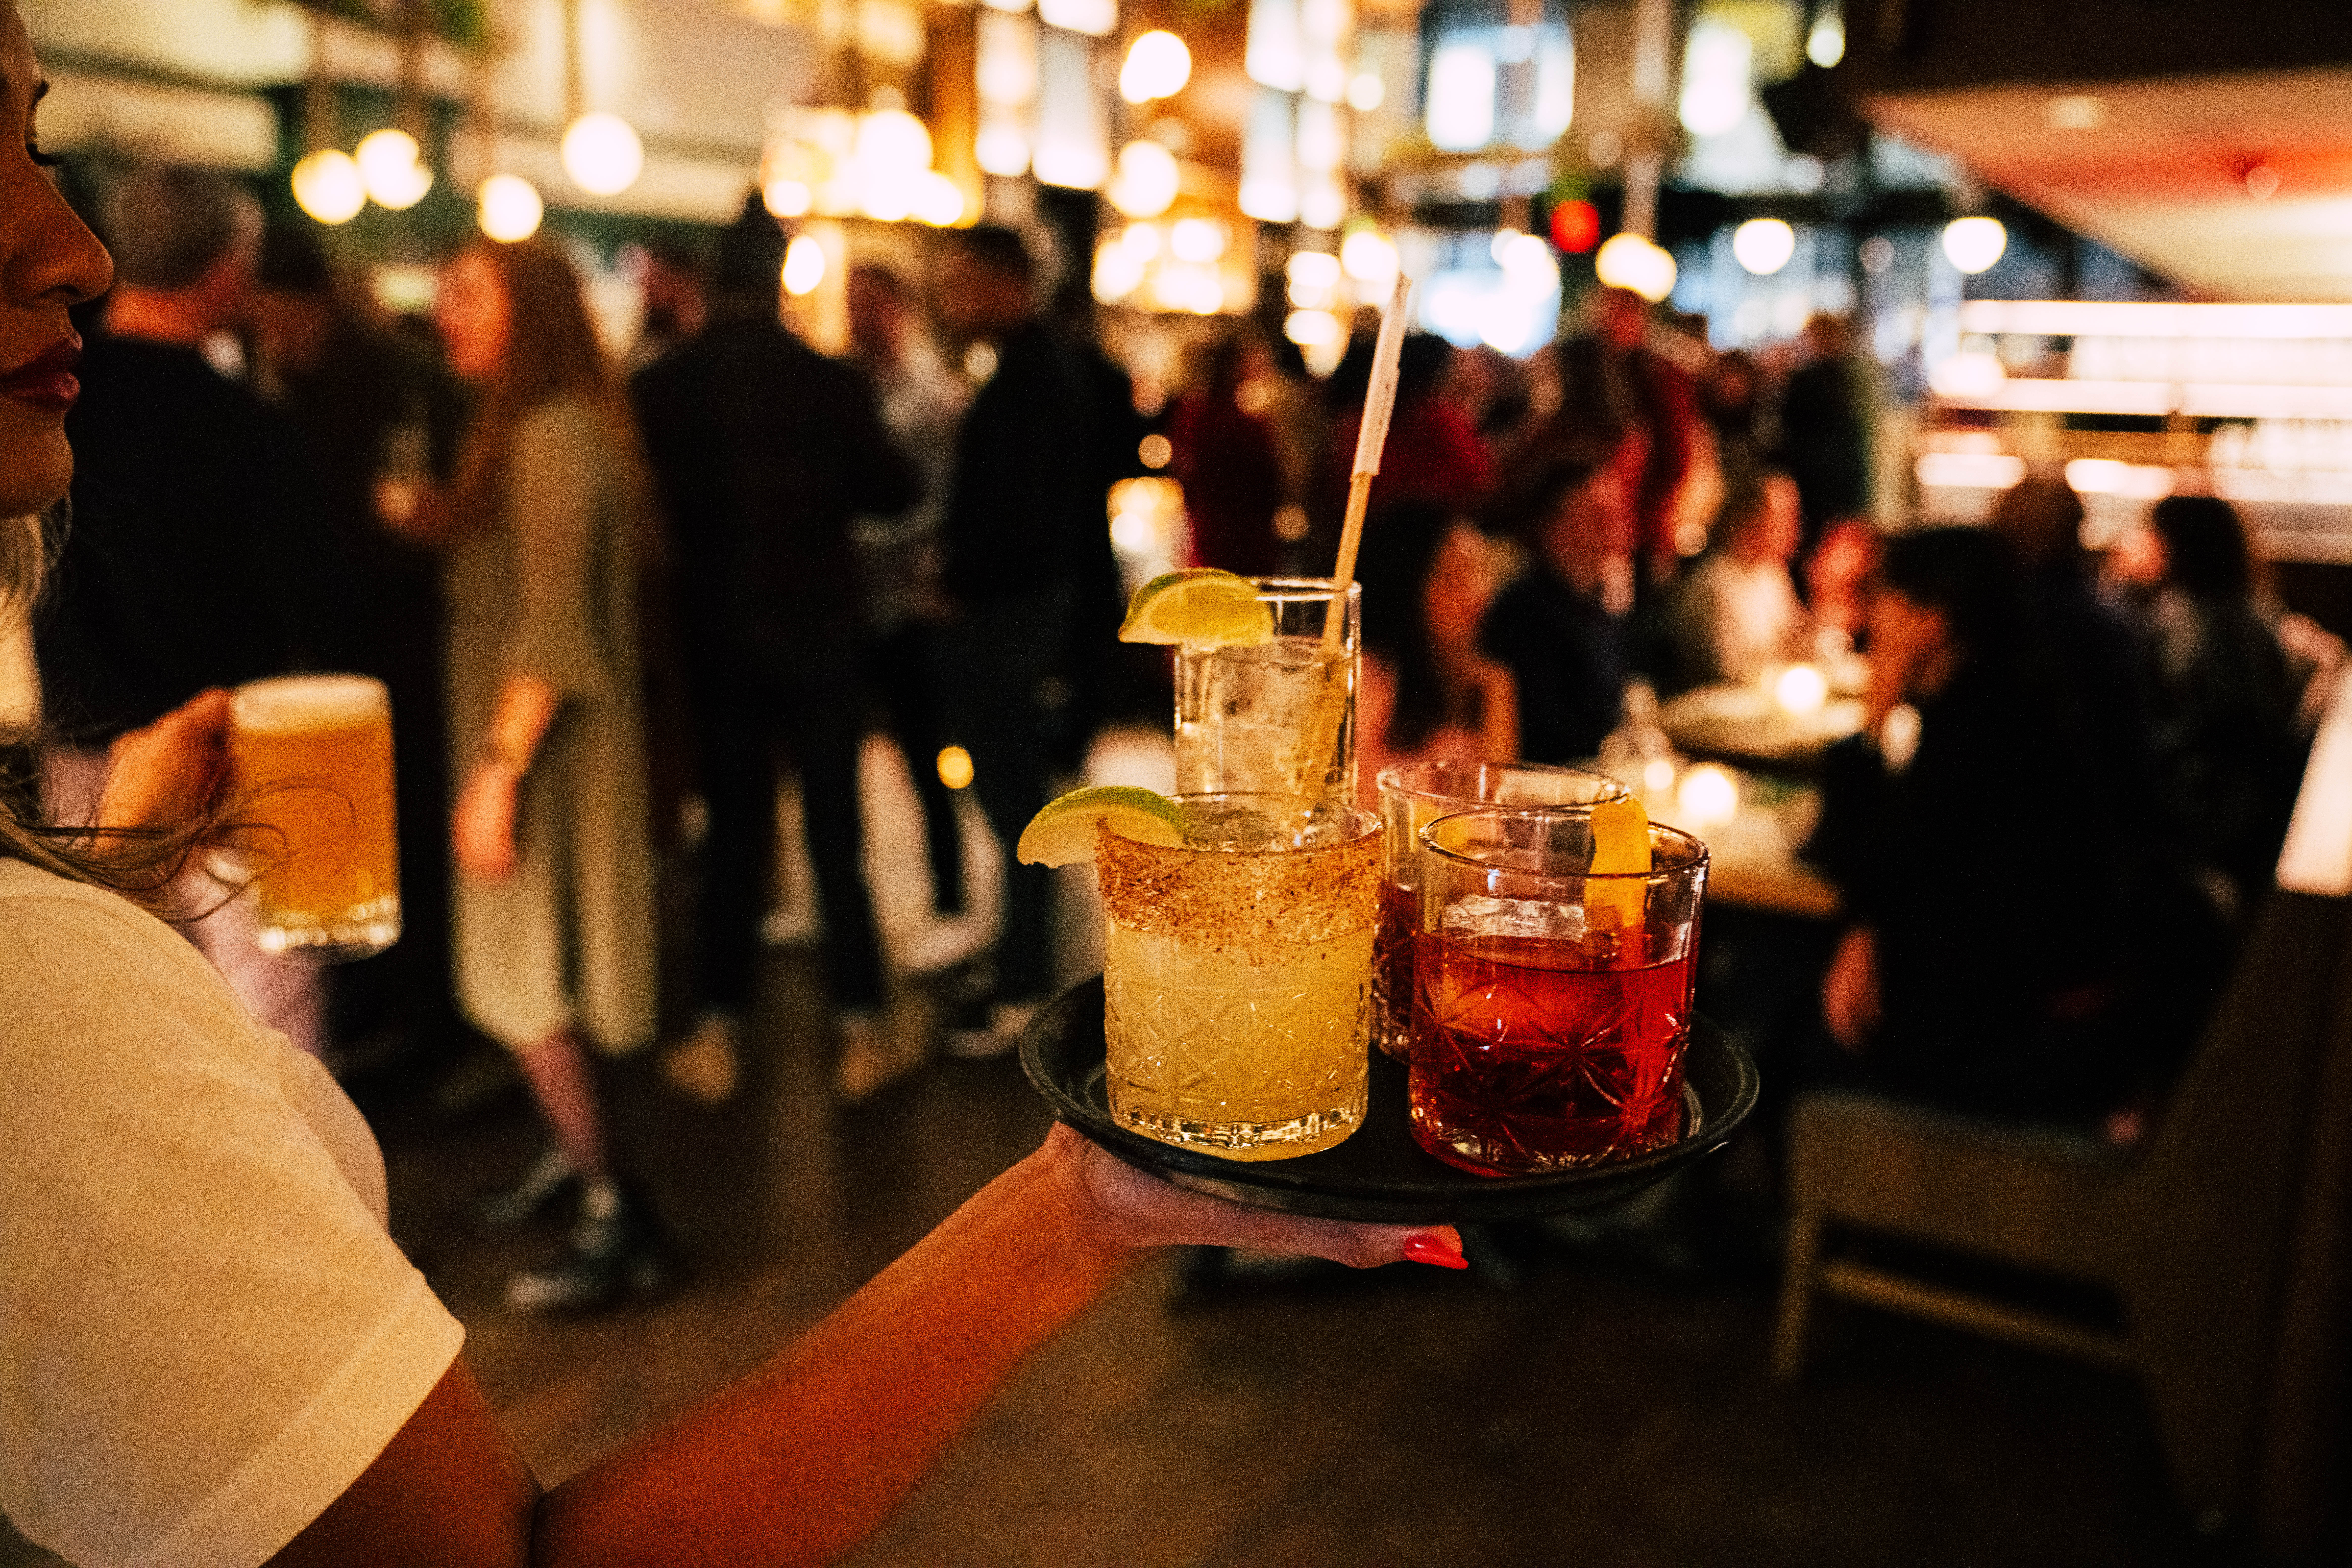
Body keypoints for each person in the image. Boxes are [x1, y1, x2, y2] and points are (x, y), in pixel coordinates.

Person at [0, 24, 1465, 1553]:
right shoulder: (39, 993)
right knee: (797, 875)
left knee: (745, 896)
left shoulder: (608, 413)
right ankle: (777, 1066)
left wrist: (134, 896)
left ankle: (726, 1091)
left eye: (41, 142)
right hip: (803, 659)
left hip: (716, 682)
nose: (78, 246)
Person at [404, 238, 667, 1310]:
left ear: (532, 310)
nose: (444, 309)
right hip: (532, 747)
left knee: (530, 977)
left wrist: (498, 774)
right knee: (532, 970)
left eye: (470, 292)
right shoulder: (533, 431)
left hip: (545, 758)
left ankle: (623, 1211)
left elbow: (554, 627)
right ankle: (585, 1161)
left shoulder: (556, 436)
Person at [37, 163, 350, 1059]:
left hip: (80, 752)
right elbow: (315, 612)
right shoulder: (250, 428)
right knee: (274, 1018)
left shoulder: (51, 406)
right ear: (226, 268)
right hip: (229, 755)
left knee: (113, 1008)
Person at [631, 201, 922, 1105]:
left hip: (714, 636)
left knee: (732, 836)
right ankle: (861, 1026)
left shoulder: (660, 385)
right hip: (820, 634)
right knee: (836, 833)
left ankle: (718, 1030)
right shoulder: (828, 383)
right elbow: (893, 491)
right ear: (781, 279)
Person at [1806, 527, 2132, 1122]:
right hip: (2033, 1006)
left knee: (1794, 1025)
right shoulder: (2007, 704)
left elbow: (1848, 855)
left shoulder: (1981, 735)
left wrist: (1874, 717)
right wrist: (1869, 924)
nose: (1870, 621)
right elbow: (1901, 867)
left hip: (2022, 1043)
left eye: (1885, 600)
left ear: (1931, 623)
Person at [248, 223, 471, 1070]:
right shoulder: (286, 378)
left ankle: (428, 1020)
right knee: (345, 824)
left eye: (279, 318)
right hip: (330, 638)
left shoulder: (397, 379)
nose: (272, 335)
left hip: (405, 633)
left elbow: (432, 509)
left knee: (410, 821)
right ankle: (375, 1002)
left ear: (313, 303)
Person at [926, 223, 1114, 1055]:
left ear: (1008, 283)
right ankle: (1014, 960)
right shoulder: (1034, 369)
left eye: (960, 282)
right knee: (1013, 799)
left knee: (1017, 806)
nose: (948, 299)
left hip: (1013, 621)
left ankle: (1024, 981)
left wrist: (958, 585)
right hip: (1022, 616)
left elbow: (1030, 521)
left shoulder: (1036, 380)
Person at [846, 259, 970, 939]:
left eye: (872, 304)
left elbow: (943, 505)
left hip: (909, 602)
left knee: (927, 758)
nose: (860, 317)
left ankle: (949, 896)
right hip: (850, 604)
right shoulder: (835, 388)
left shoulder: (934, 397)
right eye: (853, 303)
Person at [2135, 493, 2304, 923]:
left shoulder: (2193, 627)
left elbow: (2215, 733)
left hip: (2211, 820)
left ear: (2180, 548)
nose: (2139, 547)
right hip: (2248, 813)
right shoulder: (2255, 612)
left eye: (2153, 537)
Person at [1352, 501, 1517, 809]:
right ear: (1405, 589)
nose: (1478, 596)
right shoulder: (1368, 679)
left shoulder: (1481, 678)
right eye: (1454, 579)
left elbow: (1497, 808)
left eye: (1481, 573)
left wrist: (1497, 691)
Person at [1479, 453, 1635, 766]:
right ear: (1555, 529)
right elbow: (1548, 737)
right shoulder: (1523, 615)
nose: (1615, 523)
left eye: (1615, 512)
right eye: (1596, 514)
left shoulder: (1598, 600)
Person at [1665, 469, 1808, 690]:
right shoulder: (1714, 586)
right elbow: (1728, 676)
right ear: (1745, 520)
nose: (1793, 528)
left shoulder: (1773, 574)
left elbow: (1797, 639)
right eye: (1782, 517)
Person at [1168, 321, 1285, 578]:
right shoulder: (1243, 422)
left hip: (1205, 526)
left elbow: (1183, 470)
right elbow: (1270, 482)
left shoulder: (1191, 413)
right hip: (1245, 534)